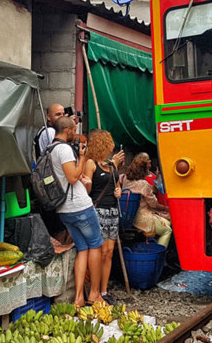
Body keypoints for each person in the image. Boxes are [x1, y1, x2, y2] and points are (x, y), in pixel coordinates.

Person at [49, 116, 104, 307]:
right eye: (73, 129)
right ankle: (95, 294)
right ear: (67, 130)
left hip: (64, 209)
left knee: (82, 248)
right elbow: (72, 177)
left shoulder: (51, 149)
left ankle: (79, 297)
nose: (75, 133)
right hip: (79, 206)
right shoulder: (64, 149)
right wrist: (83, 157)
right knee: (96, 245)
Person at [82, 129, 124, 305]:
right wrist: (89, 185)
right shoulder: (90, 163)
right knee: (98, 253)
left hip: (113, 210)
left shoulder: (112, 164)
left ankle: (104, 291)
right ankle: (95, 290)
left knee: (108, 253)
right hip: (97, 211)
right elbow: (85, 191)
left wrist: (119, 191)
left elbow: (118, 184)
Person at [123, 153, 172, 248]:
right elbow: (154, 204)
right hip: (142, 218)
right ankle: (159, 253)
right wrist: (167, 208)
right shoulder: (143, 184)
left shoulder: (126, 180)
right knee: (167, 230)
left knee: (167, 223)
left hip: (130, 217)